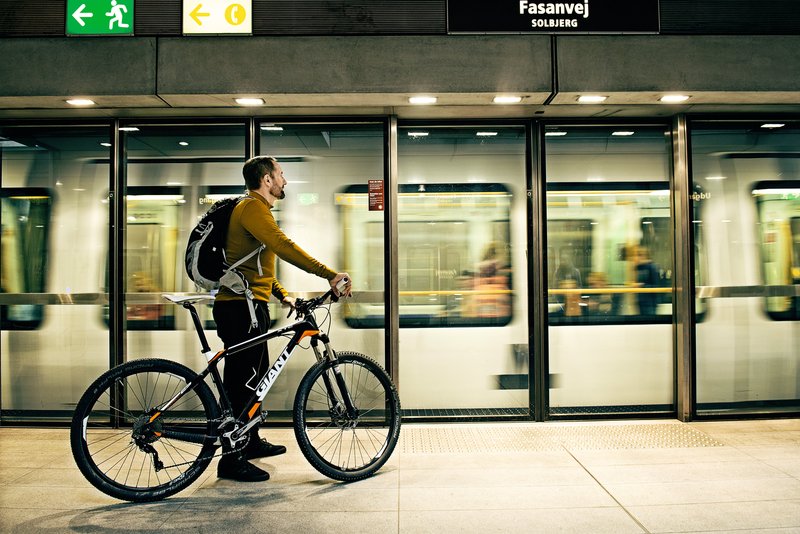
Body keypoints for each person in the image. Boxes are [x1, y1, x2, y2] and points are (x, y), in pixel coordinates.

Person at [213, 156, 351, 482]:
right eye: (281, 174)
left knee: (256, 376)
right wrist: (329, 274)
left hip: (250, 306)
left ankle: (249, 441)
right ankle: (231, 459)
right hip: (239, 309)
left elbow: (250, 266)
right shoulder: (252, 208)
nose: (284, 180)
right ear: (266, 180)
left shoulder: (254, 211)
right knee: (242, 381)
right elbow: (281, 245)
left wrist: (282, 295)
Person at [634, 245, 660, 315]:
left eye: (640, 255)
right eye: (637, 255)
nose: (637, 257)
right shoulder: (639, 267)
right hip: (640, 301)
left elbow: (656, 286)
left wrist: (642, 285)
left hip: (650, 302)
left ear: (646, 256)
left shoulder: (652, 267)